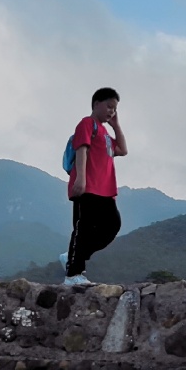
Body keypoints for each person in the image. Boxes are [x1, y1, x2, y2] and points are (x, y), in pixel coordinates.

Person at [62, 87, 128, 286]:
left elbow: (122, 150)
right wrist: (81, 179)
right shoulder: (87, 123)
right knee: (83, 228)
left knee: (112, 226)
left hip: (105, 190)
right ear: (96, 104)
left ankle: (73, 256)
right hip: (88, 187)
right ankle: (73, 274)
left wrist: (116, 125)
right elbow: (81, 149)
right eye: (109, 106)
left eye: (114, 109)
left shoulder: (105, 132)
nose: (111, 111)